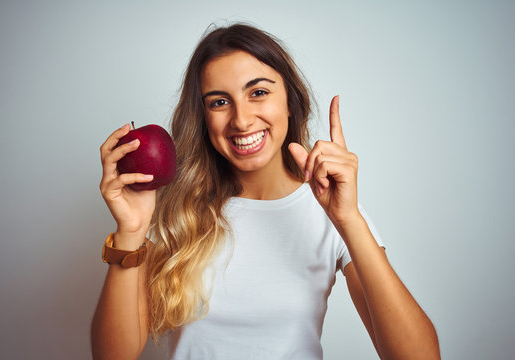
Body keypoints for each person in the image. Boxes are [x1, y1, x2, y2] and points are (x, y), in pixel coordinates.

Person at [91, 23, 440, 359]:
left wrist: (348, 219)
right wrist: (130, 232)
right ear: (202, 117)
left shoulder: (333, 211)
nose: (241, 120)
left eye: (258, 92)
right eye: (219, 102)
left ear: (289, 100)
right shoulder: (173, 210)